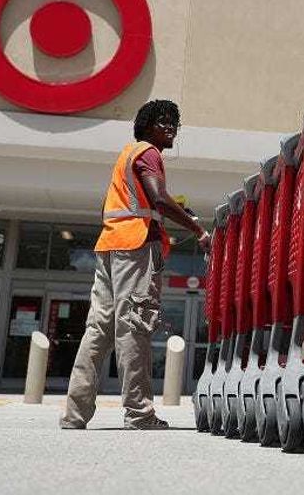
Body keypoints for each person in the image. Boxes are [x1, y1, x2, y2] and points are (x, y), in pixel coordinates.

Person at [60, 99, 211, 429]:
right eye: (163, 121)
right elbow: (157, 197)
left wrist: (175, 213)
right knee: (134, 326)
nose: (171, 127)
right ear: (146, 126)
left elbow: (131, 203)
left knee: (99, 328)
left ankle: (75, 414)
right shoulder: (148, 153)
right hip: (134, 246)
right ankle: (139, 413)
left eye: (175, 122)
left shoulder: (126, 156)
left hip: (111, 244)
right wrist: (197, 228)